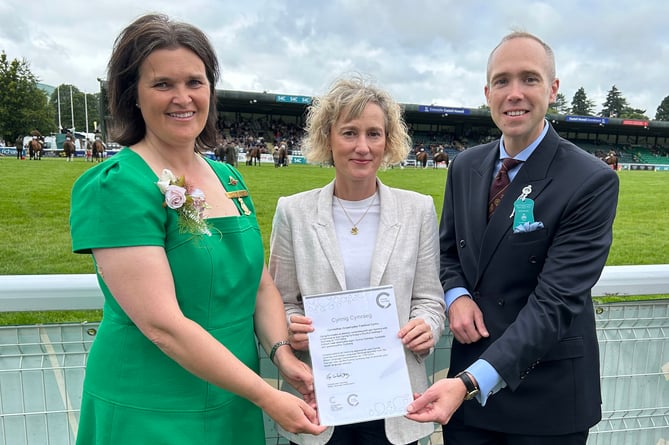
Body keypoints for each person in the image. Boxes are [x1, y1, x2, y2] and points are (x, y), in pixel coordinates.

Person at [69, 13, 325, 444]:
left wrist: (282, 354)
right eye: (162, 84)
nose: (182, 98)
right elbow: (162, 325)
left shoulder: (229, 179)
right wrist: (266, 394)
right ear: (132, 95)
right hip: (151, 405)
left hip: (234, 396)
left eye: (195, 82)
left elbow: (258, 284)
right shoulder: (116, 185)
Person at [405, 31, 619, 445]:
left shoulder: (591, 180)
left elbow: (554, 303)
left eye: (530, 79)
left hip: (545, 400)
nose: (514, 93)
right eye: (502, 81)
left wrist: (470, 381)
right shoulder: (464, 167)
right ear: (487, 92)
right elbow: (448, 252)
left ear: (553, 89)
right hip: (467, 398)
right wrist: (457, 296)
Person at [269, 75, 446, 445]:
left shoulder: (418, 210)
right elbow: (280, 301)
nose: (362, 147)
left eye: (374, 134)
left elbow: (430, 298)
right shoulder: (293, 212)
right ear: (328, 138)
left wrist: (426, 325)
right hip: (319, 402)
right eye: (349, 133)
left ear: (388, 140)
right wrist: (290, 326)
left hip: (397, 406)